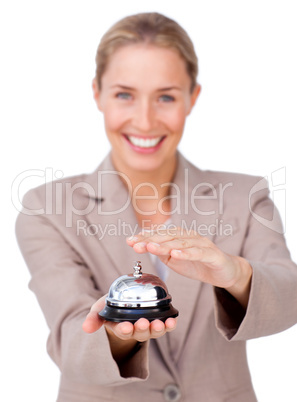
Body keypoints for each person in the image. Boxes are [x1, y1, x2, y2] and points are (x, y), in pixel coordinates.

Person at [15, 12, 297, 402]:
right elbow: (70, 341)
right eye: (124, 94)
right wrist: (115, 330)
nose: (145, 121)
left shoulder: (244, 197)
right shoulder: (47, 209)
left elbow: (290, 297)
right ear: (96, 93)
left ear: (192, 97)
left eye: (165, 96)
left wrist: (235, 274)